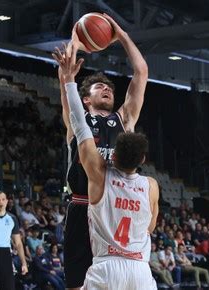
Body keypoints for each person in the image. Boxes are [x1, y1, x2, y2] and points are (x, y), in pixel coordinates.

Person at [52, 12, 148, 290]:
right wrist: (76, 38)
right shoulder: (76, 120)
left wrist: (122, 35)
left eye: (109, 87)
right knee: (76, 283)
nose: (106, 88)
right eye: (98, 86)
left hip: (115, 207)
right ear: (84, 98)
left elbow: (141, 73)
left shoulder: (124, 120)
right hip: (82, 205)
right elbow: (66, 76)